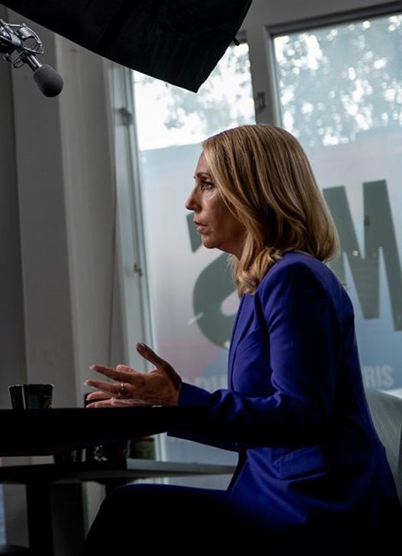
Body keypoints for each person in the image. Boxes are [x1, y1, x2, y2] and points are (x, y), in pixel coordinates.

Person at [82, 124, 401, 553]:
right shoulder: (266, 284)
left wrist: (179, 399)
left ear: (253, 193)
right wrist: (162, 407)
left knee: (128, 511)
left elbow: (298, 416)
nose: (190, 201)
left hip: (318, 511)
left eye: (207, 184)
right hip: (280, 501)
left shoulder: (294, 278)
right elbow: (257, 427)